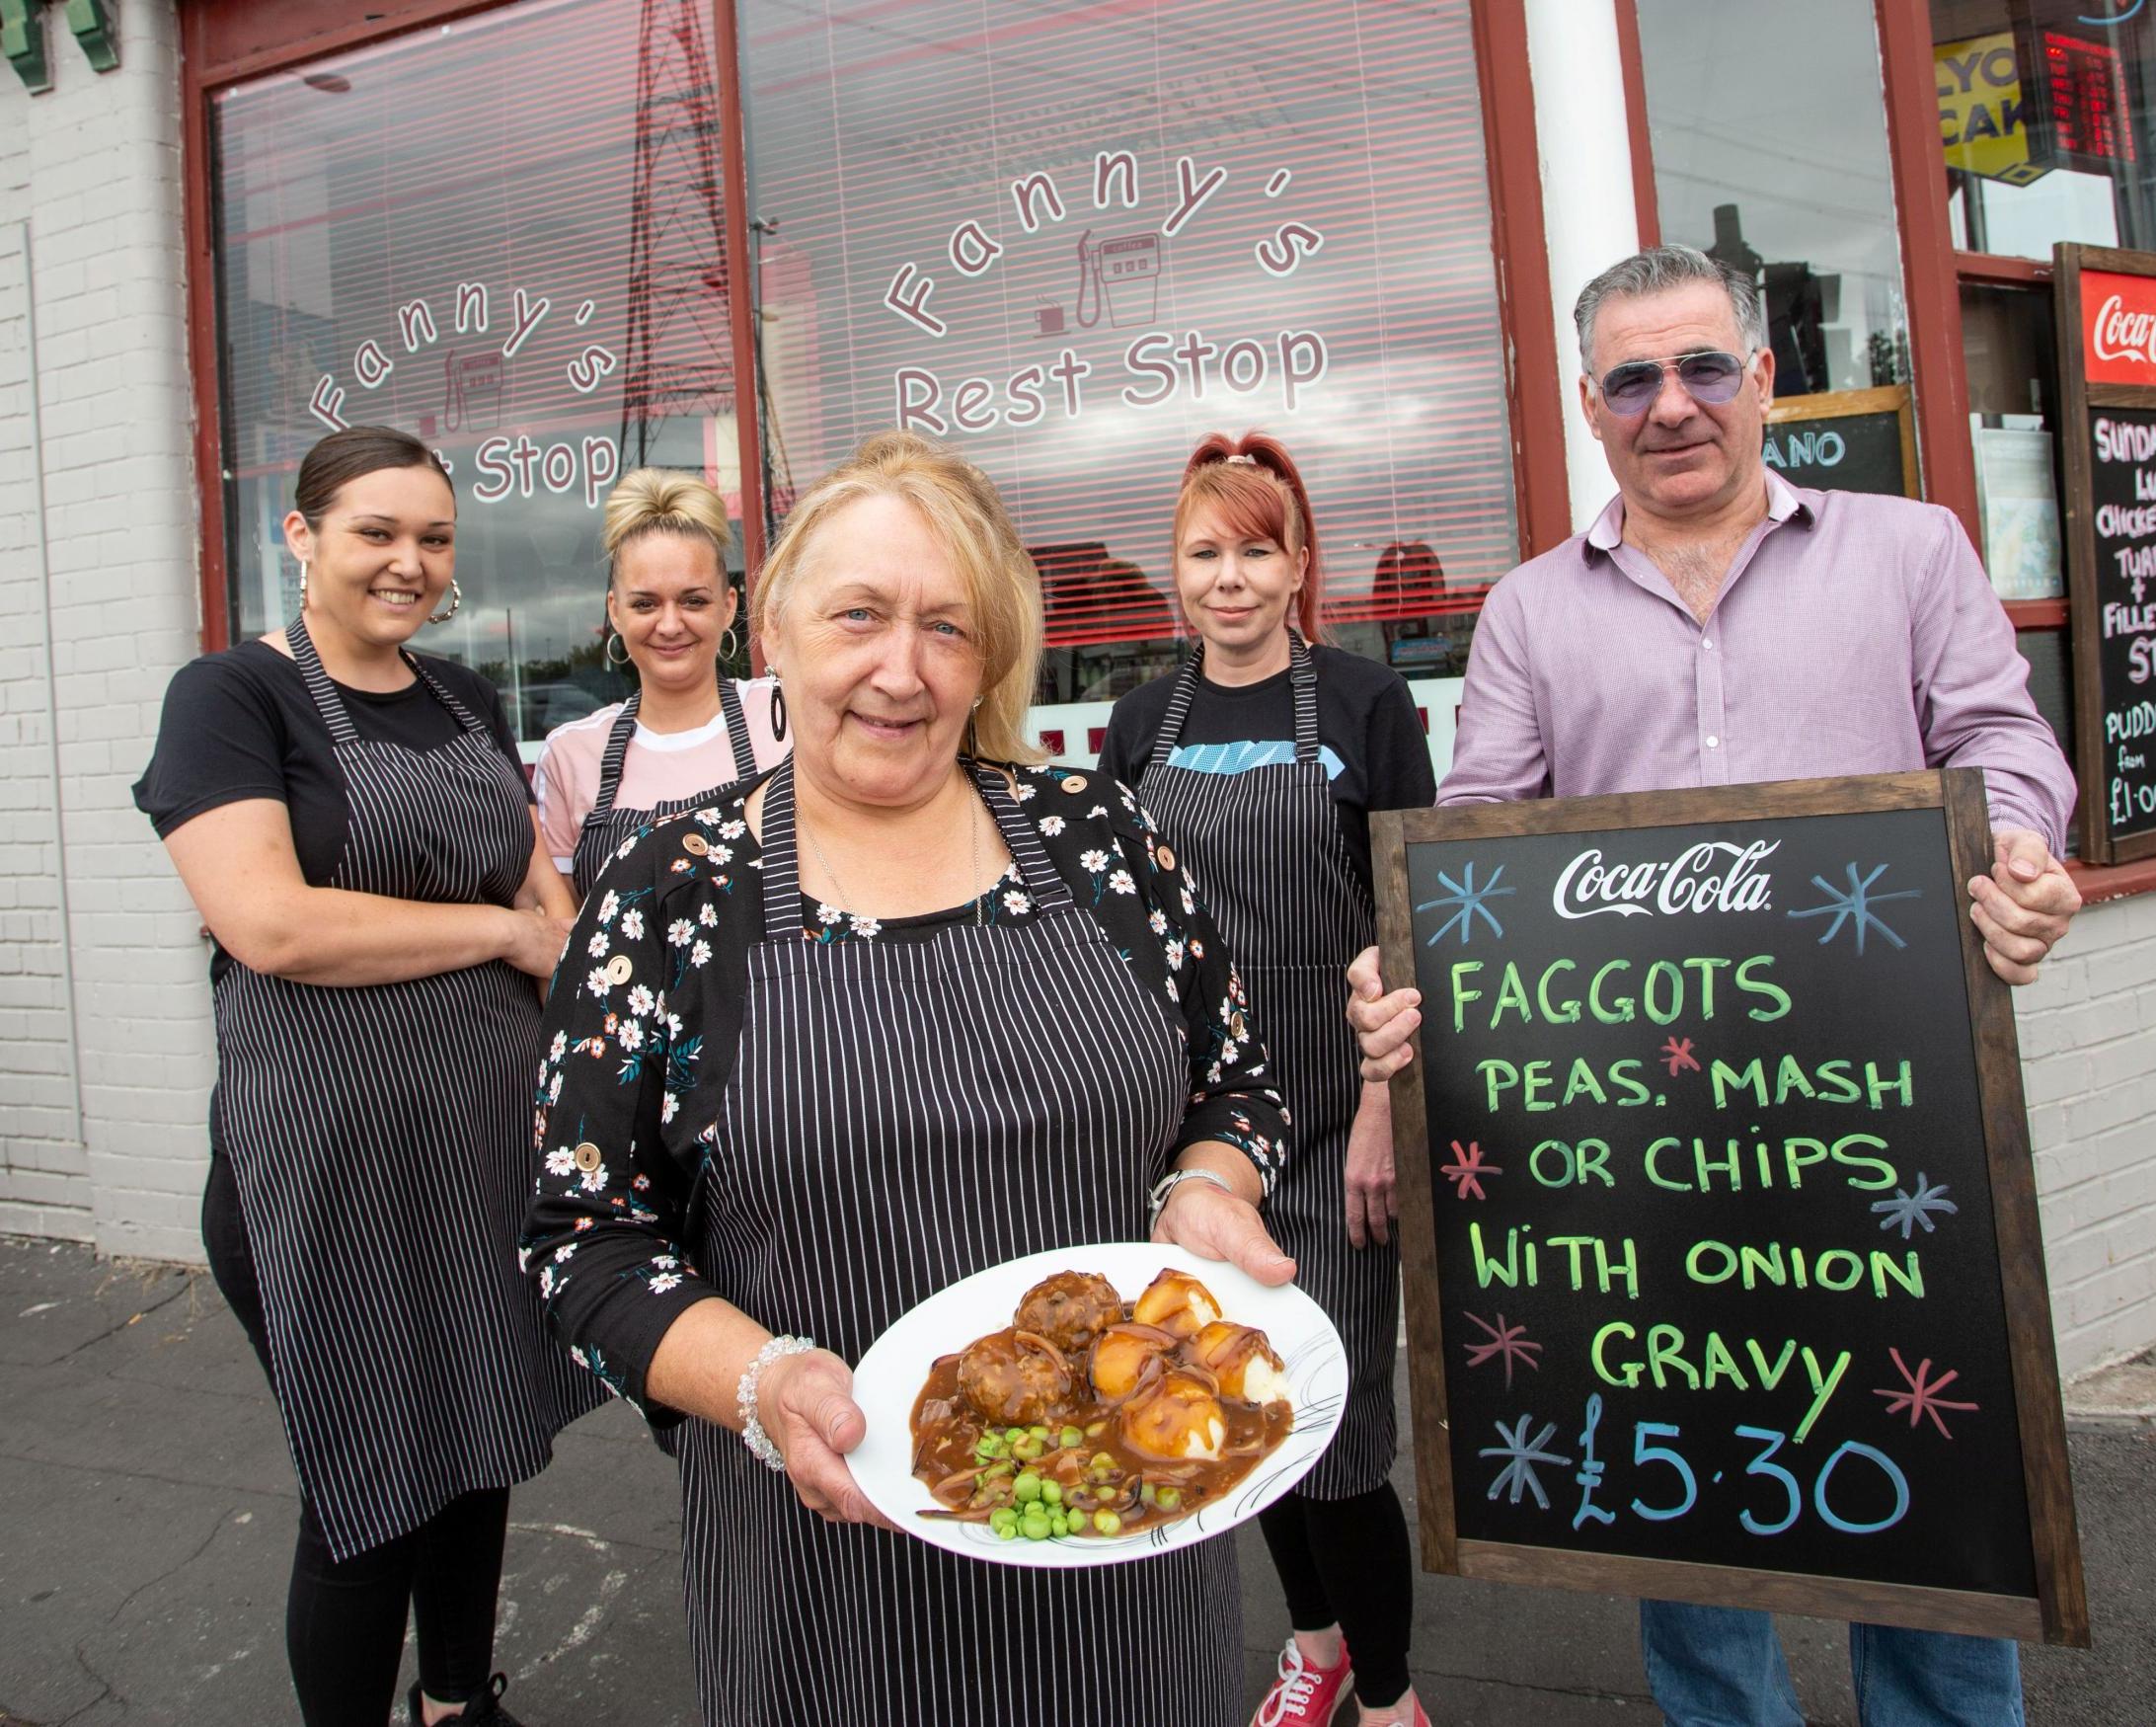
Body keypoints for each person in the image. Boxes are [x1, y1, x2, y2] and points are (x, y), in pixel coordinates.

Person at [1343, 246, 2083, 1727]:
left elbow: (2000, 736)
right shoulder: (1530, 614)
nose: (1667, 406)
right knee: (1682, 1509)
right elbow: (1477, 845)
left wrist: (2015, 852)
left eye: (1697, 369)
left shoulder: (1907, 551)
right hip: (1642, 1148)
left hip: (1876, 1118)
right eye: (1630, 379)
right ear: (1586, 405)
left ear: (1758, 379)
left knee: (1926, 1506)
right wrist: (1403, 970)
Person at [520, 430, 1298, 1726]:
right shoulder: (666, 896)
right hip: (823, 1576)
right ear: (770, 629)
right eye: (859, 615)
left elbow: (1233, 1082)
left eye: (945, 627)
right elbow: (583, 1241)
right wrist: (758, 1382)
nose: (900, 668)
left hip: (1124, 1529)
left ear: (989, 655)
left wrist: (1209, 1182)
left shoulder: (1096, 837)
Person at [132, 426, 603, 1727]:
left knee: (478, 1442)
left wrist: (562, 956)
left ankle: (456, 1699)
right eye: (376, 533)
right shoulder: (231, 697)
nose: (409, 562)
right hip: (331, 1178)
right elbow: (271, 926)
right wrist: (501, 937)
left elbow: (534, 880)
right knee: (369, 1481)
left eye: (433, 538)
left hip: (481, 1155)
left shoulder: (454, 692)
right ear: (301, 536)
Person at [1101, 432, 1437, 1727]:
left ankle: (1392, 1693)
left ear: (1297, 563)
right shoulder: (1140, 723)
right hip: (1195, 1129)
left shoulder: (1362, 704)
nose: (1229, 578)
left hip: (1335, 1106)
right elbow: (1120, 927)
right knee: (1243, 1411)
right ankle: (1316, 1644)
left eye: (1255, 549)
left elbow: (1410, 923)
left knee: (1340, 1437)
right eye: (1204, 553)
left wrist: (1378, 1111)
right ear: (1176, 576)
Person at [533, 467, 789, 897]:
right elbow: (567, 925)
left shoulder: (783, 713)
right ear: (615, 612)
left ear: (728, 606)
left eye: (693, 601)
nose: (670, 625)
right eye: (645, 604)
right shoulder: (571, 752)